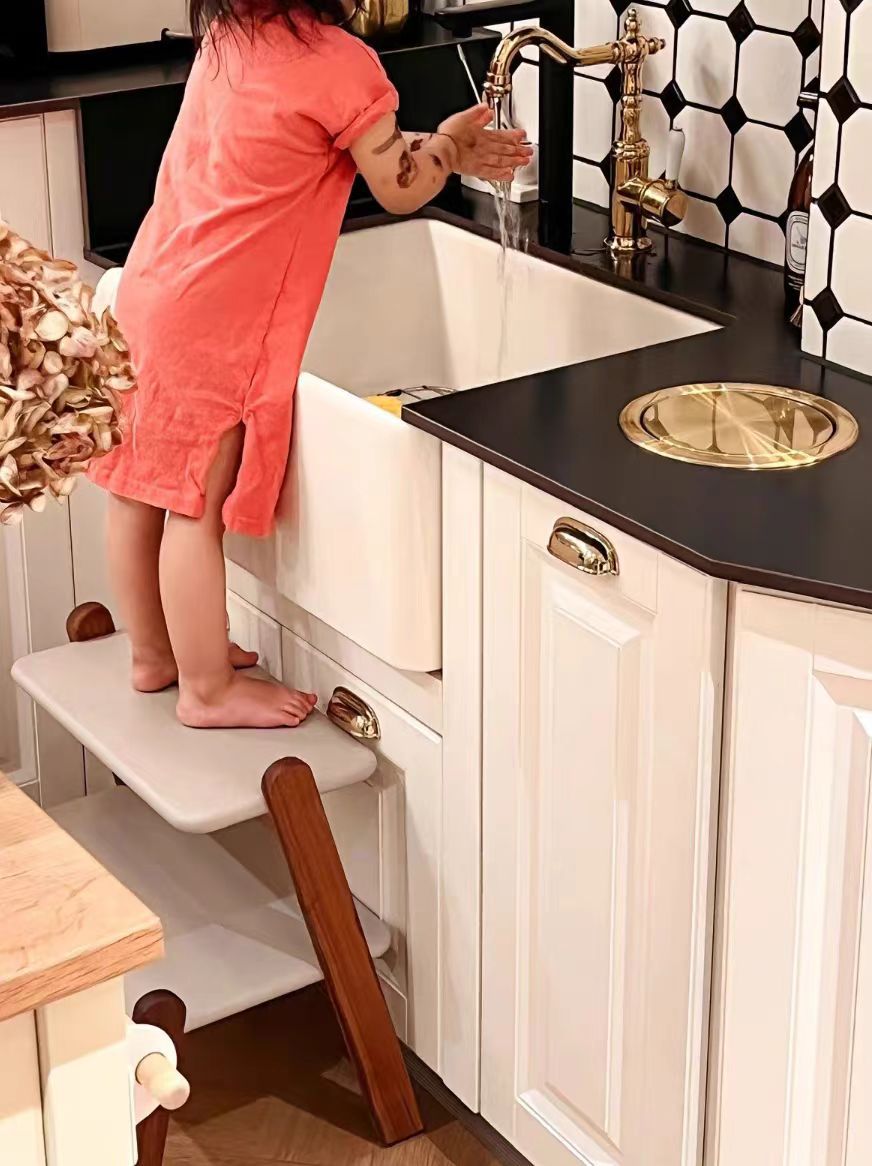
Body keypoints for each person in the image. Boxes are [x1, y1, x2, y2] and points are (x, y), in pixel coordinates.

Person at [90, 0, 531, 729]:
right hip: (218, 326)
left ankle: (154, 656)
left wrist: (434, 142)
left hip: (153, 290)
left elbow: (298, 137)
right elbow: (399, 187)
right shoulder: (341, 63)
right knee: (194, 511)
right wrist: (448, 149)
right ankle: (205, 689)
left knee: (138, 490)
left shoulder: (229, 35)